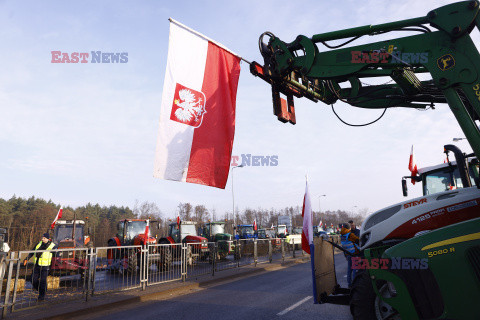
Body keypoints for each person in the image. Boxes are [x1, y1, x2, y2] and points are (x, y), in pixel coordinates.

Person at [23, 233, 57, 301]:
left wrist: (53, 266)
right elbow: (32, 252)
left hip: (45, 266)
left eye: (44, 238)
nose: (42, 239)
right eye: (42, 238)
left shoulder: (53, 246)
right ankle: (42, 290)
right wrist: (27, 258)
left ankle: (41, 296)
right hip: (37, 265)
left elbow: (55, 256)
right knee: (33, 280)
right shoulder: (38, 244)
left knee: (42, 281)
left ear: (48, 239)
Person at [340, 223, 360, 288]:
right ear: (349, 228)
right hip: (354, 254)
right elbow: (358, 240)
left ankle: (349, 284)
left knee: (349, 270)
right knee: (355, 269)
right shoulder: (350, 234)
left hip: (347, 254)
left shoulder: (342, 235)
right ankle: (355, 284)